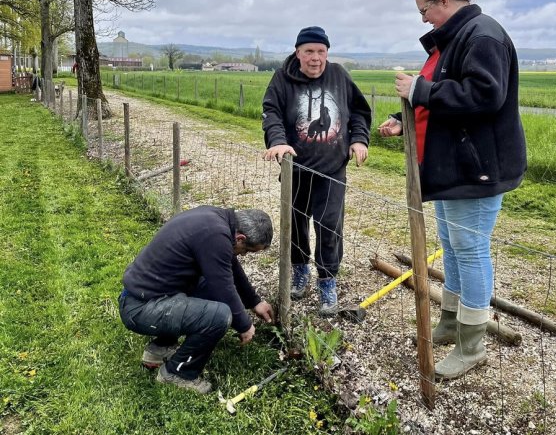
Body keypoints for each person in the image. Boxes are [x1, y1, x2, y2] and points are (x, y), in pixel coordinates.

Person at [378, 0, 526, 380]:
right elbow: (440, 89)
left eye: (424, 10)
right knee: (454, 245)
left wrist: (418, 92)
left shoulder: (482, 35)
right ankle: (449, 321)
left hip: (476, 168)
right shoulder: (456, 37)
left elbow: (483, 95)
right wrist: (401, 117)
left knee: (471, 250)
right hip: (451, 165)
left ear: (443, 0)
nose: (424, 19)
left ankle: (472, 345)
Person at [262, 26, 371, 316]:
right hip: (296, 168)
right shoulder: (282, 79)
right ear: (298, 53)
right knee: (296, 224)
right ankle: (300, 270)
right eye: (309, 51)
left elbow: (360, 111)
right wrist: (278, 141)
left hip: (332, 170)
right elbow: (271, 113)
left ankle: (327, 281)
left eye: (321, 51)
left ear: (327, 53)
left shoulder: (339, 76)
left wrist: (359, 139)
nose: (315, 58)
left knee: (329, 225)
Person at [118, 206, 275, 394]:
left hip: (145, 297)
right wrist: (244, 325)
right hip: (141, 309)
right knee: (220, 315)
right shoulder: (215, 236)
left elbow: (230, 267)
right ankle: (177, 373)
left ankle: (159, 349)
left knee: (207, 287)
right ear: (240, 238)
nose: (243, 255)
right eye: (247, 251)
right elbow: (223, 286)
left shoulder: (215, 221)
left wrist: (254, 301)